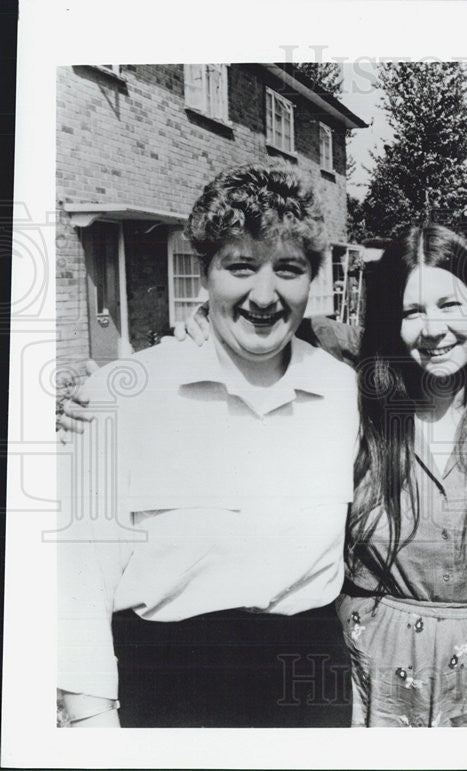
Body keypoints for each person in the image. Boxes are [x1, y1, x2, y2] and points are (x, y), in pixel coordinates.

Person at [56, 164, 358, 727]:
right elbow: (77, 577)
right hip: (170, 687)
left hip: (309, 686)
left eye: (287, 269)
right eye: (241, 266)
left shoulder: (345, 392)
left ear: (312, 279)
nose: (263, 295)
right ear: (206, 274)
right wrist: (91, 720)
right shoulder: (123, 397)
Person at [336, 224, 467, 727]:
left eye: (449, 304)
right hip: (373, 683)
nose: (433, 328)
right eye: (412, 310)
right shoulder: (354, 408)